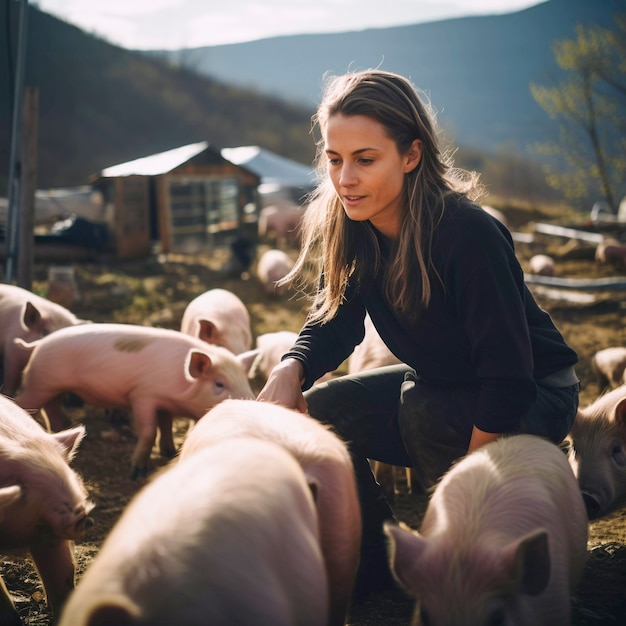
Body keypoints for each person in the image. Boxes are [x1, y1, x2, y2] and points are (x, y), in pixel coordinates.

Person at [256, 69, 580, 600]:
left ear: (411, 155)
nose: (345, 179)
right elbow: (336, 317)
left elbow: (508, 375)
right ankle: (378, 564)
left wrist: (469, 487)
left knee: (421, 410)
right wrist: (291, 366)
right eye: (335, 160)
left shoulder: (467, 234)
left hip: (535, 390)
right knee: (323, 414)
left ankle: (467, 565)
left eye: (365, 159)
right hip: (448, 382)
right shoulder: (355, 229)